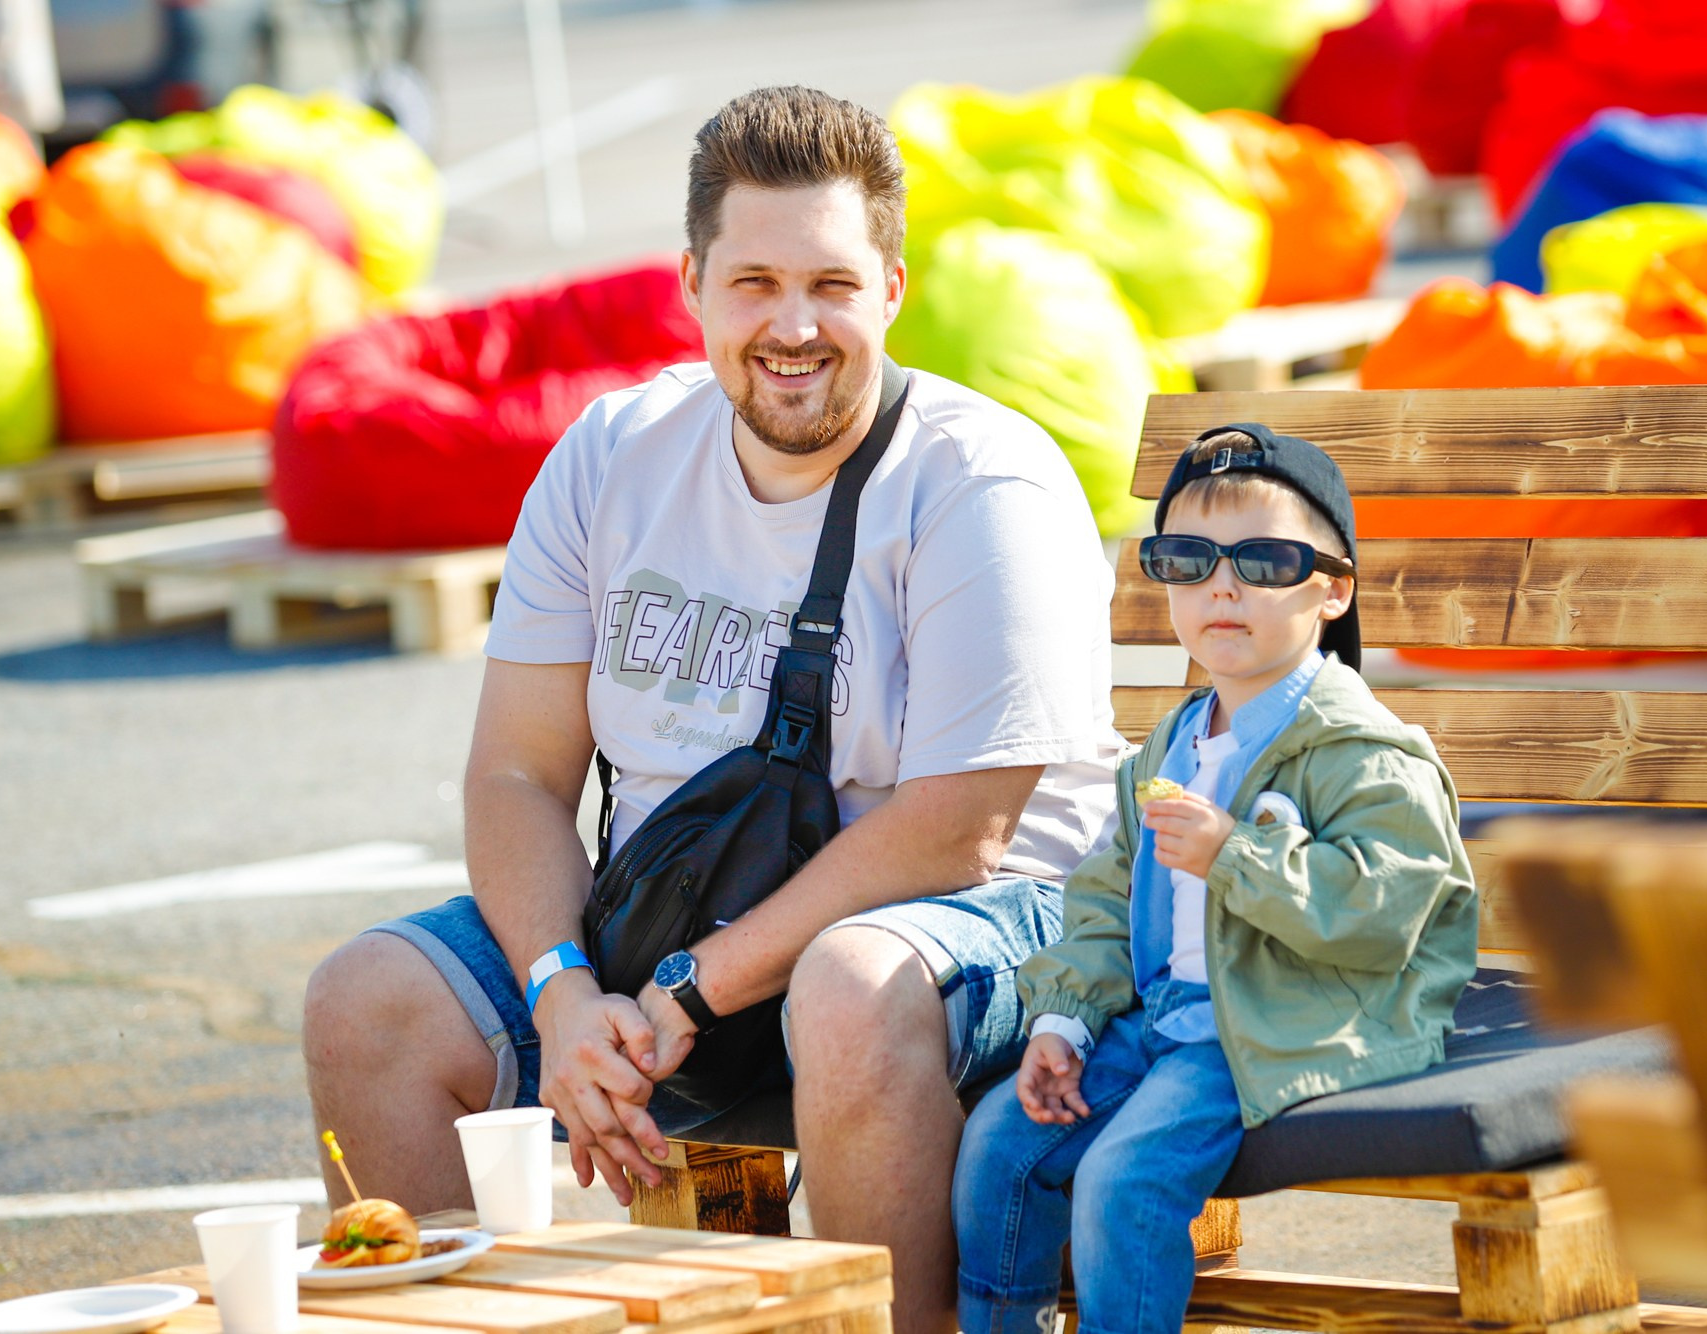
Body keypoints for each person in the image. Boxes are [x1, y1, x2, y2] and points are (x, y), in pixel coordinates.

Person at [302, 85, 1121, 1334]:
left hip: (977, 941)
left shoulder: (980, 480)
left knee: (845, 986)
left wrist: (683, 994)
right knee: (367, 1000)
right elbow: (515, 774)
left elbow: (959, 830)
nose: (793, 325)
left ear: (892, 289)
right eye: (753, 283)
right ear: (690, 284)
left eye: (832, 284)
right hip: (673, 944)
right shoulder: (609, 454)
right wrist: (563, 992)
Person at [952, 424, 1480, 1334]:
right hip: (1164, 1015)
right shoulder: (1174, 741)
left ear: (1333, 589)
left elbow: (1383, 912)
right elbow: (1108, 894)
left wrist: (1236, 855)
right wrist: (1065, 1019)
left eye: (1265, 562)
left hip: (1280, 1020)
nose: (1222, 587)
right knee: (1000, 1143)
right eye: (1188, 561)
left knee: (1125, 1179)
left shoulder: (1362, 752)